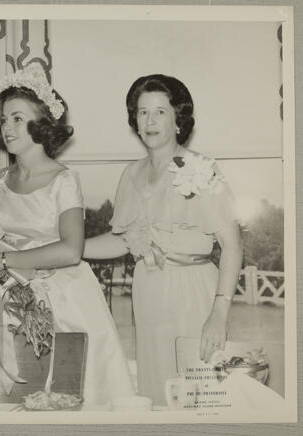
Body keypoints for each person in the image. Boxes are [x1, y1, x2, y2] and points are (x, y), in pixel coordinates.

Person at [0, 63, 135, 406]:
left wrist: (1, 259)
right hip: (10, 297)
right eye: (3, 119)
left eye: (17, 118)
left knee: (71, 392)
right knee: (14, 392)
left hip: (65, 297)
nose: (7, 127)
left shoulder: (64, 180)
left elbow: (72, 250)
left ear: (41, 125)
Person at [84, 74, 243, 406]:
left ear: (177, 119)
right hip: (149, 292)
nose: (150, 120)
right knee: (157, 392)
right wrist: (72, 250)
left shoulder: (201, 169)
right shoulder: (131, 174)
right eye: (142, 112)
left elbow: (232, 244)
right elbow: (123, 241)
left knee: (201, 397)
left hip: (194, 291)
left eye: (160, 111)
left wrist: (219, 312)